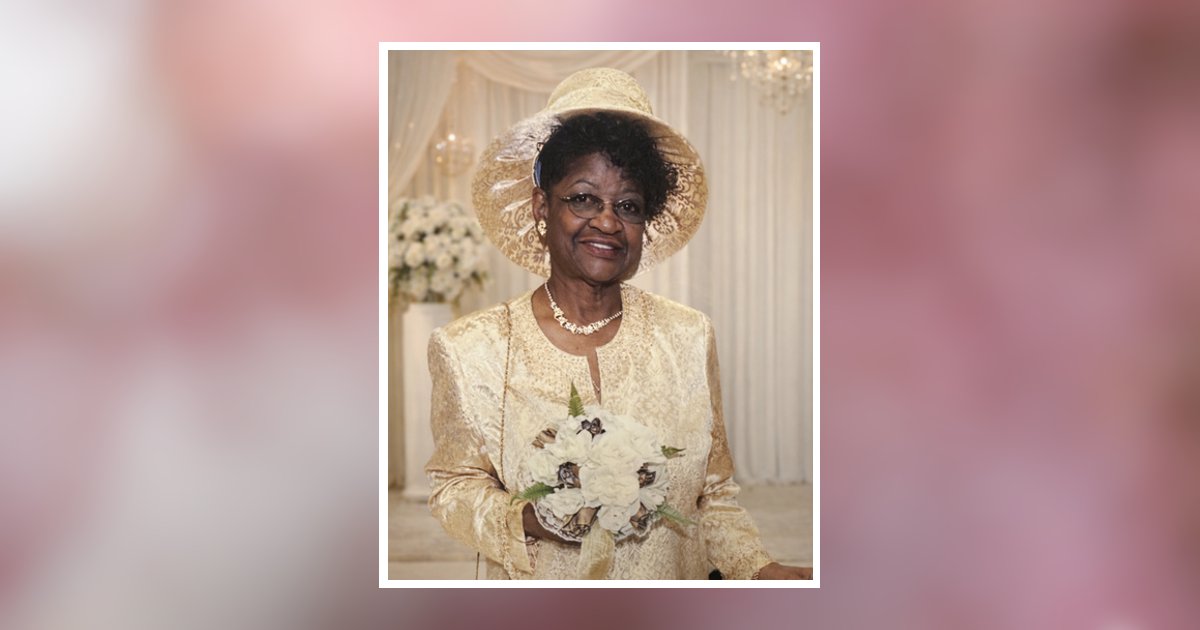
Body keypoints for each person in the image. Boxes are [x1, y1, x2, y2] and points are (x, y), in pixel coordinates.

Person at [425, 68, 810, 580]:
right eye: (583, 198)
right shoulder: (471, 349)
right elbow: (454, 486)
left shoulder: (688, 337)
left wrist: (759, 569)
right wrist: (532, 518)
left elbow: (712, 496)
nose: (607, 221)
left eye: (627, 206)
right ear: (543, 207)